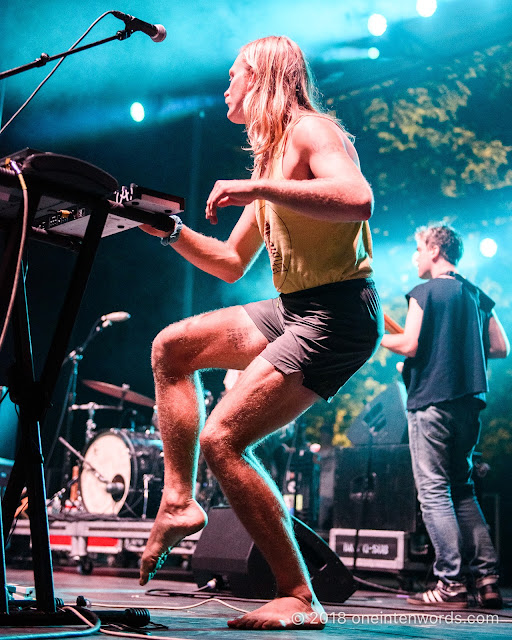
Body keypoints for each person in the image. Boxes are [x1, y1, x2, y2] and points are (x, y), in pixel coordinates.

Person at [140, 35, 382, 630]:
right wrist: (166, 228)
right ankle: (178, 500)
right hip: (294, 306)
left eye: (233, 77)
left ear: (263, 77)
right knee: (173, 347)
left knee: (222, 438)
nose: (226, 90)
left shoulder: (312, 131)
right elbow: (228, 262)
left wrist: (257, 188)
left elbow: (357, 199)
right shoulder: (272, 156)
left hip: (339, 314)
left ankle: (299, 595)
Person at [380, 224, 509, 609]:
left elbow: (409, 343)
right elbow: (501, 347)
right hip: (468, 404)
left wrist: (374, 335)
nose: (415, 256)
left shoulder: (425, 291)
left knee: (434, 491)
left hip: (431, 402)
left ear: (435, 249)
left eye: (418, 248)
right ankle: (487, 580)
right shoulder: (475, 294)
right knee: (462, 489)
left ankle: (450, 584)